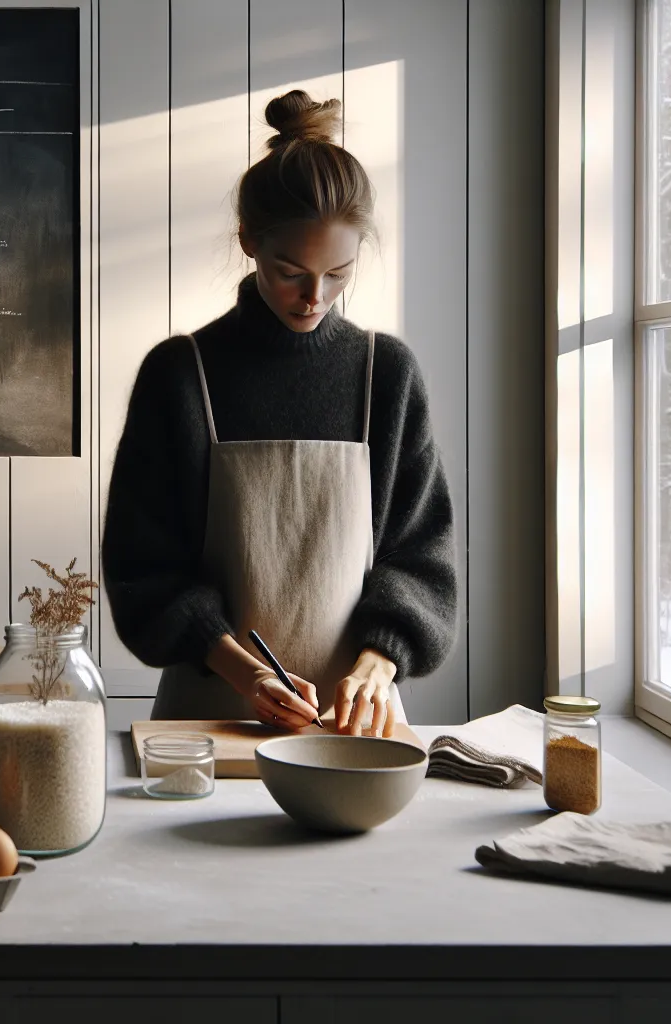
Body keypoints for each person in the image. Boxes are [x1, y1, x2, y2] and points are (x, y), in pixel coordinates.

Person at [101, 89, 457, 738]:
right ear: (249, 241)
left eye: (338, 274)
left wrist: (378, 664)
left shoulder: (388, 376)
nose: (312, 297)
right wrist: (248, 675)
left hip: (353, 730)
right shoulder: (181, 375)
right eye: (290, 270)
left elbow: (421, 559)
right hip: (208, 724)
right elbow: (143, 569)